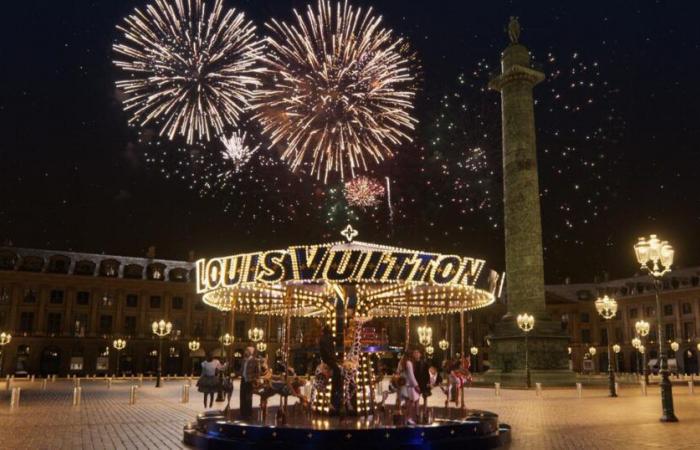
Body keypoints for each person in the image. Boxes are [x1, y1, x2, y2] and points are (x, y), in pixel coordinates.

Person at [319, 324, 341, 412]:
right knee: (337, 370)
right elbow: (337, 340)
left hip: (326, 359)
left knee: (338, 368)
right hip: (329, 360)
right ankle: (336, 386)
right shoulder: (328, 337)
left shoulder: (323, 338)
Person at [398, 351, 420, 425]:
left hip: (402, 385)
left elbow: (398, 372)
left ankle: (405, 419)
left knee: (406, 403)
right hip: (408, 386)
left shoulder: (401, 363)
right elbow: (411, 376)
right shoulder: (409, 363)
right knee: (410, 403)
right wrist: (416, 386)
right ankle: (408, 419)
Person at [239, 345, 260, 420]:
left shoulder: (255, 361)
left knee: (248, 398)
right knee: (242, 397)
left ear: (250, 352)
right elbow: (241, 370)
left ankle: (248, 413)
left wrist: (254, 379)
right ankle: (242, 413)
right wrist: (238, 374)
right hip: (243, 380)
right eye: (245, 350)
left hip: (250, 381)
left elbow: (257, 373)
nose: (245, 352)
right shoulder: (244, 360)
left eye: (247, 350)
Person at [412, 349, 431, 418]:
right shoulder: (412, 363)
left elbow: (427, 373)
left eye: (417, 353)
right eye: (415, 353)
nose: (416, 354)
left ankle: (425, 412)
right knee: (416, 399)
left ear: (420, 354)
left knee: (425, 398)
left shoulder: (424, 363)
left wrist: (428, 382)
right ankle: (417, 414)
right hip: (416, 383)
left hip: (424, 382)